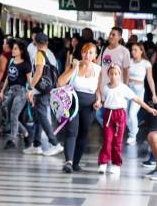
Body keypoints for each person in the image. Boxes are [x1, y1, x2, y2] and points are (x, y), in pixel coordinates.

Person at [98, 64, 156, 175]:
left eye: (116, 74)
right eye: (111, 74)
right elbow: (103, 101)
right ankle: (103, 162)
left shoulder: (123, 88)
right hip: (108, 115)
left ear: (120, 75)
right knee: (107, 139)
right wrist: (98, 103)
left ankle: (116, 164)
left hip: (119, 115)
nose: (114, 76)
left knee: (117, 141)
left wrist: (149, 109)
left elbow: (136, 99)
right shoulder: (105, 88)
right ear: (108, 75)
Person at [57, 43, 101, 174]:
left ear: (95, 56)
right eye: (85, 52)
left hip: (89, 106)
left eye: (90, 53)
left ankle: (76, 162)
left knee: (83, 133)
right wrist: (74, 68)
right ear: (81, 53)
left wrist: (98, 100)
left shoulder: (98, 69)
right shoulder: (74, 66)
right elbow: (60, 82)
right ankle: (68, 162)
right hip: (73, 105)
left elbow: (98, 88)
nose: (87, 55)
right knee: (71, 132)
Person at [26, 33, 63, 156]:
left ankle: (54, 143)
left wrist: (31, 87)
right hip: (49, 88)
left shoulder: (39, 54)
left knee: (42, 116)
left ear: (35, 43)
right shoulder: (50, 53)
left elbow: (38, 72)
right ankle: (37, 144)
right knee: (38, 117)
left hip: (41, 90)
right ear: (47, 42)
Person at [0, 39, 31, 150]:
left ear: (21, 51)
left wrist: (31, 93)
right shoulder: (12, 61)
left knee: (14, 114)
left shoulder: (26, 64)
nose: (13, 50)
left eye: (15, 49)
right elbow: (8, 76)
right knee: (7, 113)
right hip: (10, 91)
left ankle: (12, 140)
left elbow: (29, 81)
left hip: (21, 92)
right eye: (13, 48)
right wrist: (2, 91)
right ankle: (25, 133)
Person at [126, 43, 156, 146]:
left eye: (135, 50)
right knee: (125, 114)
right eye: (132, 50)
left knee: (132, 114)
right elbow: (125, 77)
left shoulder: (146, 64)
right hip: (128, 89)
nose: (132, 52)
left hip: (138, 91)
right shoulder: (129, 62)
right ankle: (133, 129)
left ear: (141, 51)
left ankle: (132, 135)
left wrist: (154, 94)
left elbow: (150, 79)